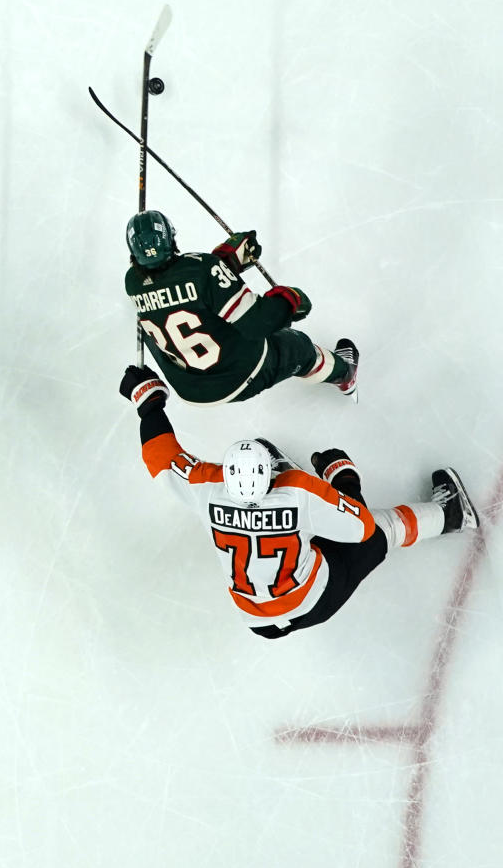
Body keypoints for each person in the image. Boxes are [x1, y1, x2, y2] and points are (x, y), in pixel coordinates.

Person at [119, 364, 481, 638]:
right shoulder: (297, 490)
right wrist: (342, 478)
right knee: (381, 530)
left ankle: (316, 525)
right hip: (315, 598)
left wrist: (148, 404)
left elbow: (161, 458)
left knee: (307, 529)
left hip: (256, 619)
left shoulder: (208, 486)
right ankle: (451, 514)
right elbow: (360, 528)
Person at [125, 209, 358, 406]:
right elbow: (258, 323)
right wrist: (288, 302)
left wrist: (226, 263)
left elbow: (188, 290)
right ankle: (345, 374)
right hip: (238, 377)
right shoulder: (203, 270)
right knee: (297, 347)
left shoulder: (132, 282)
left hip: (189, 387)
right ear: (171, 237)